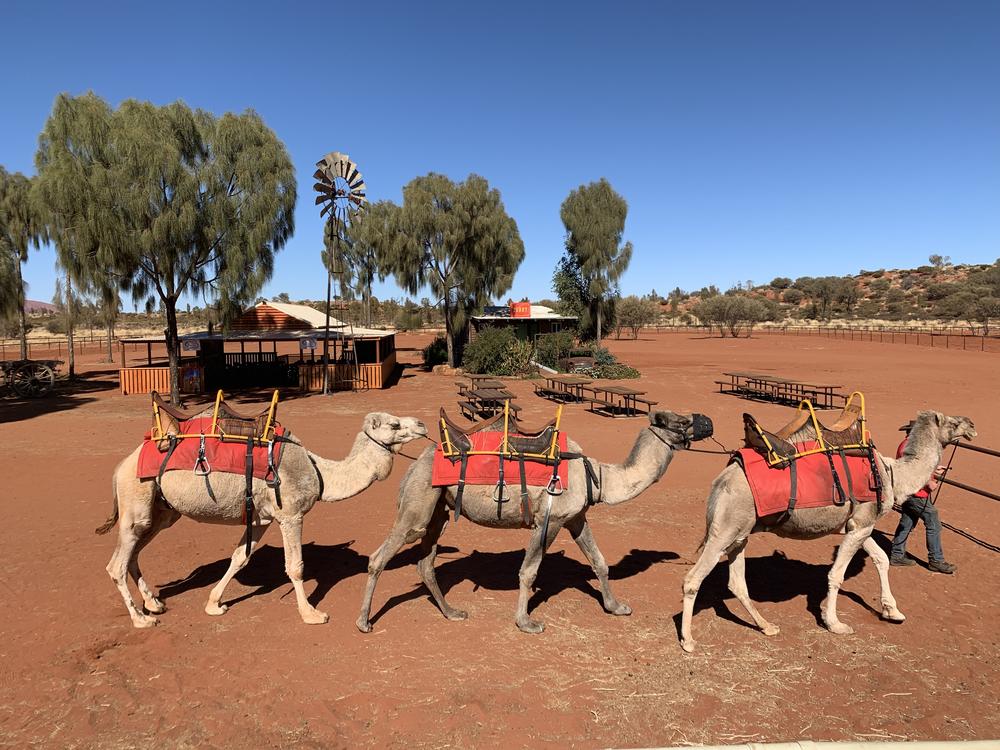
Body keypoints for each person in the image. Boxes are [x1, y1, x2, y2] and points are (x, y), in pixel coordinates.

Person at [889, 423, 956, 573]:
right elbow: (912, 471)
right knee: (933, 520)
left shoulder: (909, 445)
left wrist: (933, 470)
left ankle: (897, 554)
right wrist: (928, 481)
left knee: (907, 522)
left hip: (910, 491)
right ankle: (936, 560)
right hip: (916, 493)